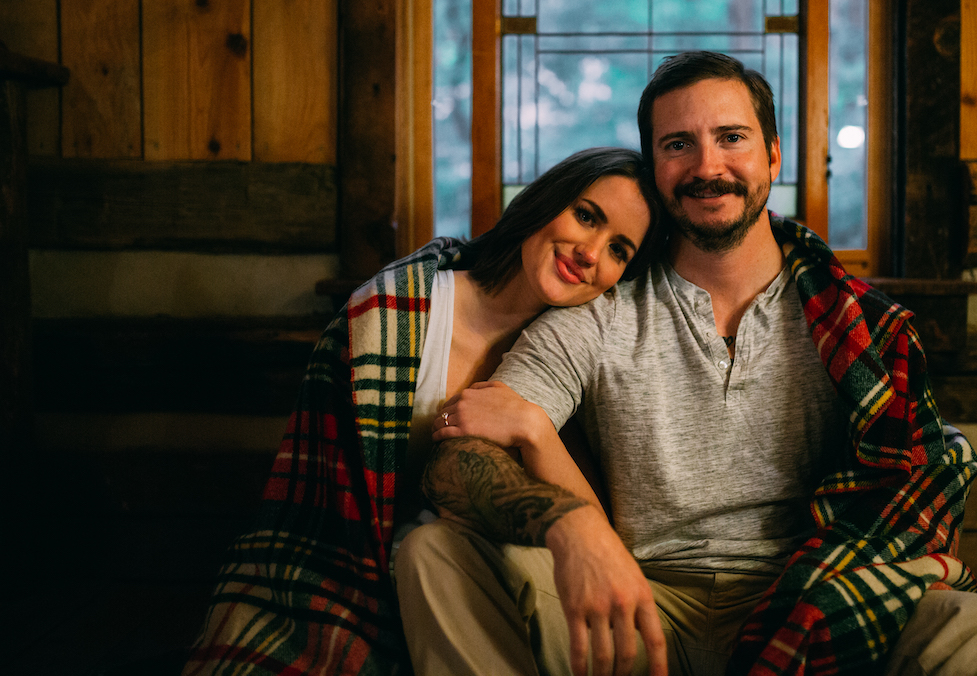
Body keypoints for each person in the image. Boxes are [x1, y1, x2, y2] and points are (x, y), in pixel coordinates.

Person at [399, 52, 977, 676]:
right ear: (654, 169)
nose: (708, 166)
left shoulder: (856, 327)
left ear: (772, 154)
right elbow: (456, 461)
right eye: (678, 144)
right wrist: (571, 527)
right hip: (635, 603)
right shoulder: (595, 313)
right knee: (434, 554)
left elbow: (911, 494)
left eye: (731, 137)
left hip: (811, 595)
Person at [184, 147, 665, 675]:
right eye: (586, 215)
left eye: (619, 249)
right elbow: (321, 503)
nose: (591, 251)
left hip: (471, 580)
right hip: (344, 569)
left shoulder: (579, 356)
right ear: (543, 202)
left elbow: (594, 539)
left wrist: (533, 430)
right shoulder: (395, 313)